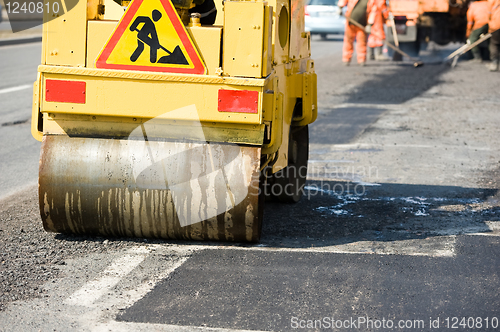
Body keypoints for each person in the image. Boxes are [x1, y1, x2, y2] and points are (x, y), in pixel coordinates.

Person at [338, 0, 377, 66]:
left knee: (362, 42)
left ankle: (361, 60)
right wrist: (340, 8)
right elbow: (343, 1)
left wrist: (370, 24)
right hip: (350, 23)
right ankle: (346, 59)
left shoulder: (371, 1)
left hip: (362, 25)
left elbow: (373, 12)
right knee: (348, 41)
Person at [488, 0, 500, 70]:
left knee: (494, 44)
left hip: (496, 26)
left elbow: (489, 15)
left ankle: (494, 63)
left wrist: (490, 28)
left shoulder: (492, 1)